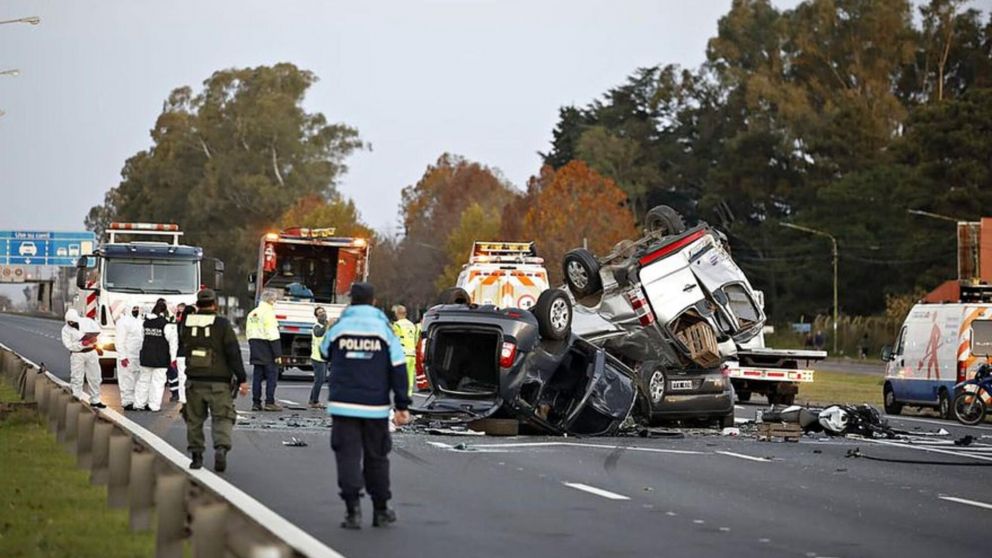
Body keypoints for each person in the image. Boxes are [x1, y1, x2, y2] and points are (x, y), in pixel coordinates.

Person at [321, 282, 411, 530]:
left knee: (347, 456)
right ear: (373, 301)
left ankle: (353, 512)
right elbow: (398, 367)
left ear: (351, 300)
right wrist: (402, 404)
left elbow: (323, 350)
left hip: (343, 405)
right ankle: (381, 510)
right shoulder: (384, 329)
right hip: (375, 406)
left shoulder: (340, 327)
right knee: (377, 457)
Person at [181, 288, 248, 471]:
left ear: (197, 304)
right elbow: (233, 352)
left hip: (194, 381)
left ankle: (196, 455)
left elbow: (182, 346)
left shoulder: (187, 323)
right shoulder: (222, 324)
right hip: (219, 382)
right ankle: (221, 448)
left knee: (194, 419)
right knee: (223, 417)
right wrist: (242, 378)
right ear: (214, 305)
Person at [135, 300, 177, 412]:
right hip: (161, 358)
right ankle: (154, 405)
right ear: (165, 311)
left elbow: (141, 338)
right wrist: (173, 359)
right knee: (157, 383)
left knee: (143, 381)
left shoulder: (145, 323)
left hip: (146, 356)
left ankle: (139, 404)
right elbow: (172, 343)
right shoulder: (166, 324)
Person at [61, 309, 105, 408]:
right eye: (69, 322)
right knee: (77, 377)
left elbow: (99, 332)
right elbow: (69, 345)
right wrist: (82, 344)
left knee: (95, 377)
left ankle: (95, 400)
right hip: (77, 354)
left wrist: (96, 342)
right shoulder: (65, 330)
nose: (71, 323)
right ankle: (76, 398)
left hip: (91, 352)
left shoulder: (88, 322)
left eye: (73, 321)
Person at [247, 289, 283, 411]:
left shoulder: (252, 313)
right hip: (267, 347)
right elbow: (272, 333)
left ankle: (256, 403)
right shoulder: (268, 313)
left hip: (255, 345)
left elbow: (248, 332)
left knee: (257, 377)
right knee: (272, 376)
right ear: (270, 300)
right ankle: (269, 402)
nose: (275, 302)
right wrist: (277, 353)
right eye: (275, 300)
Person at [115, 304, 143, 410]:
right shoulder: (122, 322)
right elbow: (119, 340)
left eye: (137, 308)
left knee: (138, 379)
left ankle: (136, 400)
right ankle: (127, 401)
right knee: (126, 379)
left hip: (138, 355)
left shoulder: (140, 321)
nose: (136, 310)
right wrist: (122, 356)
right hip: (127, 356)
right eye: (134, 308)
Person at [390, 304, 418, 395]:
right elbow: (416, 339)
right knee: (410, 376)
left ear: (397, 314)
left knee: (401, 377)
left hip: (403, 354)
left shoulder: (397, 325)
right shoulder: (412, 325)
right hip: (412, 354)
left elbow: (396, 340)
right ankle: (409, 394)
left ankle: (401, 395)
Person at [172, 302, 196, 406]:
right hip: (191, 354)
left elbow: (175, 341)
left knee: (182, 376)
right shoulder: (194, 326)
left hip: (180, 354)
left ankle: (183, 397)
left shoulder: (179, 325)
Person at [308, 306, 329, 408]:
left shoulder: (327, 325)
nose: (323, 314)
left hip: (324, 357)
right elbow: (318, 334)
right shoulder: (316, 326)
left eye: (323, 311)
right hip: (317, 358)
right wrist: (326, 325)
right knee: (319, 380)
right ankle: (314, 401)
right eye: (320, 313)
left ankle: (312, 400)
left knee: (320, 379)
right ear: (316, 316)